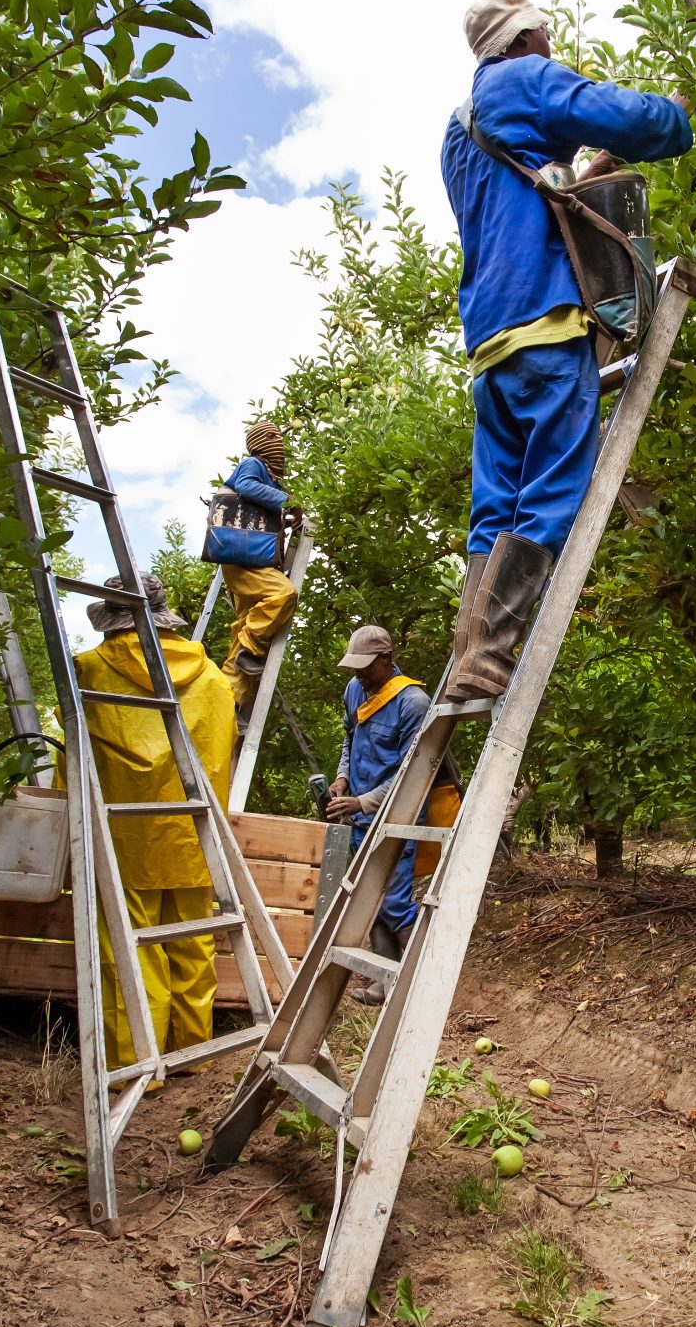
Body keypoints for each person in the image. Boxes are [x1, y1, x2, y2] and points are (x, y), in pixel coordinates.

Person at [439, 0, 692, 700]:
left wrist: (580, 174)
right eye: (542, 37)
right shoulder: (523, 81)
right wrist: (676, 114)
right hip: (547, 322)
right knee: (554, 484)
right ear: (519, 41)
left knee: (495, 505)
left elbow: (523, 205)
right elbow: (627, 117)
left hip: (490, 344)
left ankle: (471, 650)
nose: (550, 48)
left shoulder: (457, 134)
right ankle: (491, 652)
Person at [74, 573, 234, 1057]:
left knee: (130, 949)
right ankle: (191, 1053)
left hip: (128, 836)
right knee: (192, 945)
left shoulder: (88, 669)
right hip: (194, 836)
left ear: (110, 621)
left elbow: (73, 753)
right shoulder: (211, 676)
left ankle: (138, 1060)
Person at [324, 625, 432, 992]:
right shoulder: (355, 690)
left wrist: (363, 800)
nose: (358, 674)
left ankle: (425, 975)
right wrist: (342, 779)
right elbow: (348, 739)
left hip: (399, 815)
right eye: (354, 666)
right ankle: (383, 981)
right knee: (369, 895)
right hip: (359, 813)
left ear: (387, 659)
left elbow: (410, 775)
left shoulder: (413, 703)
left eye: (366, 666)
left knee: (396, 900)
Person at [203, 421, 300, 706]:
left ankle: (229, 702)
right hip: (242, 556)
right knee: (284, 594)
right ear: (260, 442)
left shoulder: (270, 476)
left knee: (245, 624)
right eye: (272, 436)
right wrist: (285, 500)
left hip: (253, 557)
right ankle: (250, 646)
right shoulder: (253, 465)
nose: (278, 442)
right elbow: (245, 488)